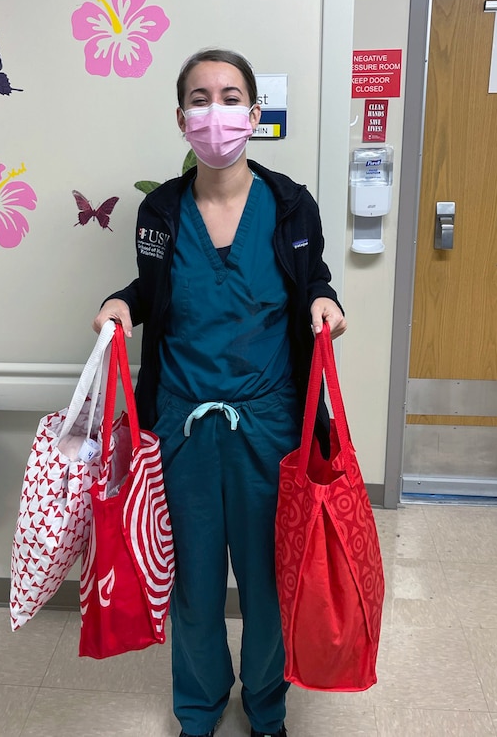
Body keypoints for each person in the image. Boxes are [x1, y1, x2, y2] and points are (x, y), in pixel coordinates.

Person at [93, 48, 346, 737]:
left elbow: (310, 280)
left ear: (254, 114)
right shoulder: (161, 211)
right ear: (182, 119)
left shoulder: (290, 205)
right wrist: (122, 303)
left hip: (269, 426)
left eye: (230, 96)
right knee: (195, 587)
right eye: (200, 99)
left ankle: (266, 709)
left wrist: (323, 300)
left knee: (267, 587)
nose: (216, 112)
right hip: (181, 426)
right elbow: (155, 292)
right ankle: (199, 710)